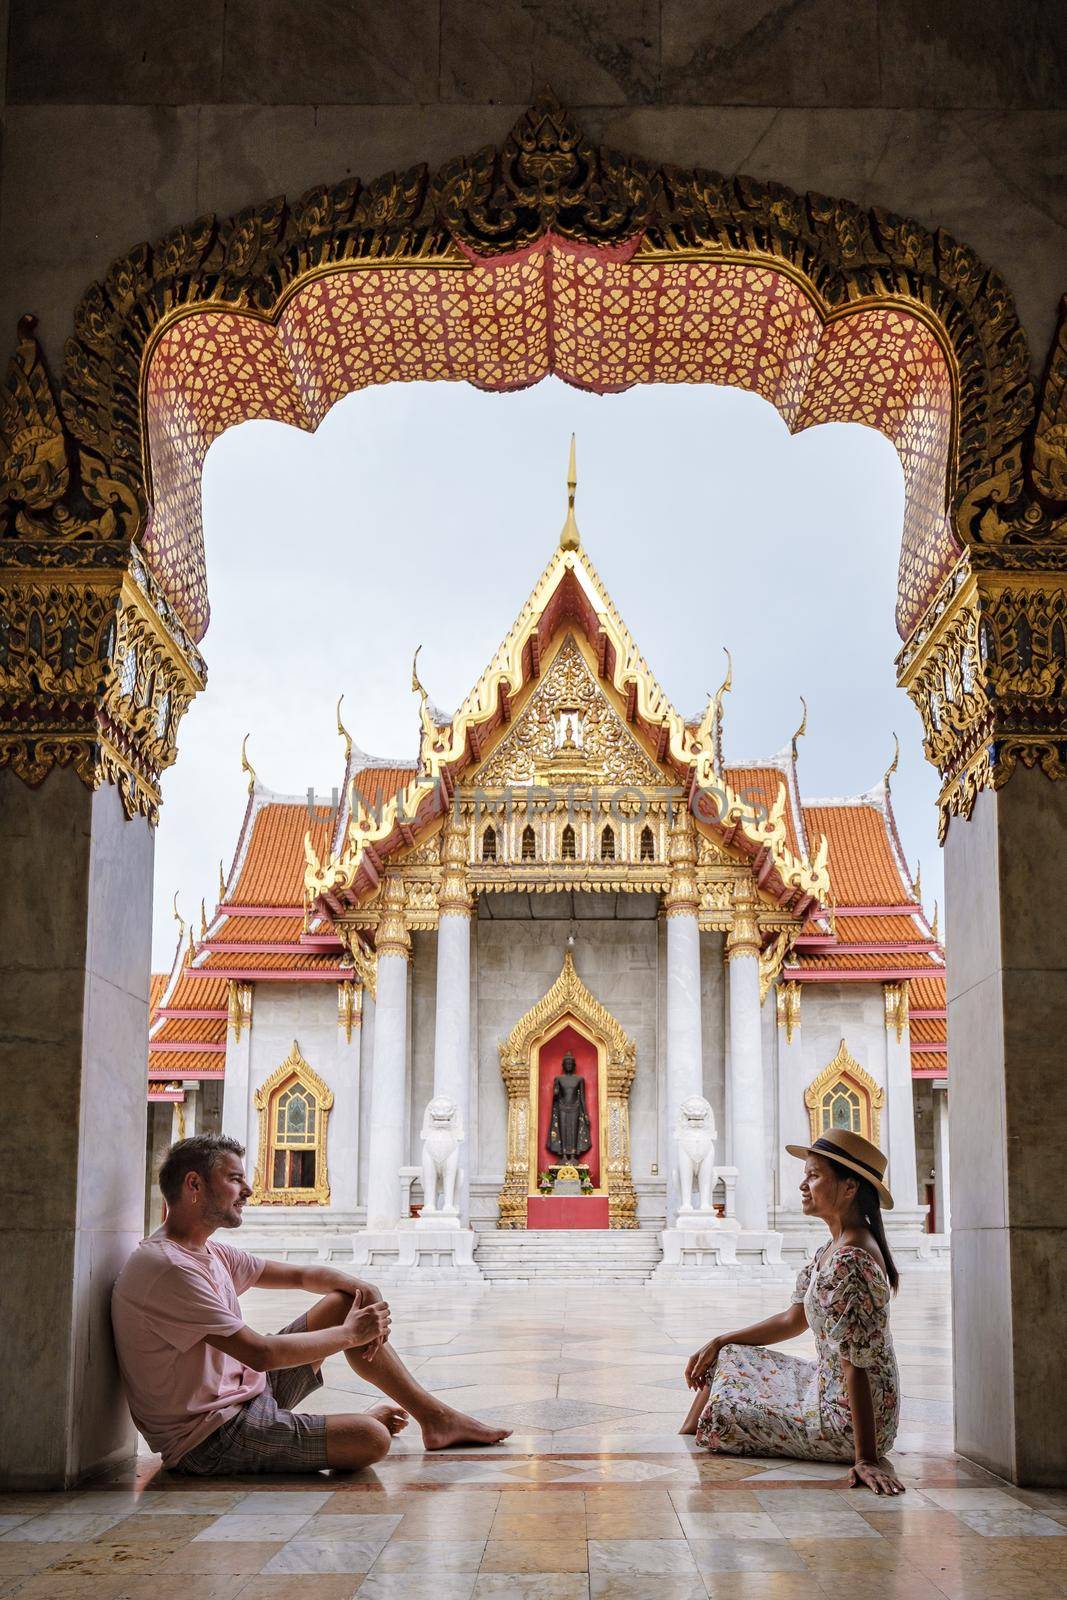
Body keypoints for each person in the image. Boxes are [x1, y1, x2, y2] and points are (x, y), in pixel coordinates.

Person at [112, 1134, 510, 1476]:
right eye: (235, 1179)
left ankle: (435, 1419)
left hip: (246, 1395)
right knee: (370, 1439)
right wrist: (351, 1333)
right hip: (209, 1437)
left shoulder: (209, 1252)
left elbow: (301, 1275)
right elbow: (261, 1353)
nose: (248, 1190)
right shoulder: (167, 1267)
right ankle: (345, 1427)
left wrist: (359, 1286)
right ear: (194, 1185)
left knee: (342, 1302)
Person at [679, 1127, 903, 1495]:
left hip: (846, 1420)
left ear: (849, 1189)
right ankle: (684, 1439)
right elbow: (793, 1320)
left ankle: (684, 1446)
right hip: (830, 1389)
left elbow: (855, 1364)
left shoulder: (851, 1260)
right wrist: (719, 1340)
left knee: (720, 1413)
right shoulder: (832, 1248)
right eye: (806, 1176)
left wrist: (865, 1458)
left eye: (814, 1176)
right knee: (729, 1356)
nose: (803, 1185)